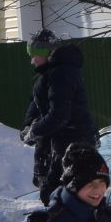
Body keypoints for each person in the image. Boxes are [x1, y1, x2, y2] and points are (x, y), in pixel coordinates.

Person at [21, 29, 95, 206]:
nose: (32, 61)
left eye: (34, 55)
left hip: (68, 147)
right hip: (57, 146)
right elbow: (37, 107)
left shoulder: (61, 74)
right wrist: (29, 126)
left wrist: (34, 131)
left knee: (59, 198)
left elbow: (59, 115)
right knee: (53, 196)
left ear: (46, 54)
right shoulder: (49, 76)